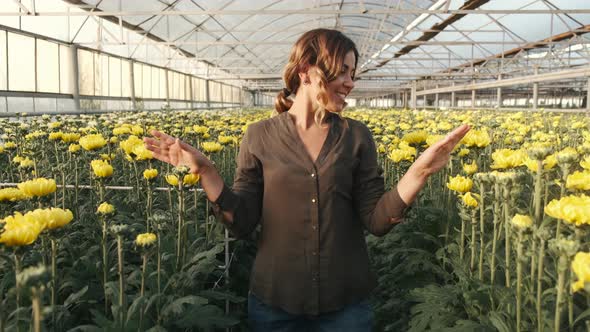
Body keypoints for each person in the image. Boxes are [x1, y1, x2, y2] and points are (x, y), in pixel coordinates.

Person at [144, 28, 470, 332]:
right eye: (342, 71)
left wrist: (418, 173)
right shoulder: (259, 136)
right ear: (306, 71)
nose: (350, 82)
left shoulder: (357, 137)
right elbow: (241, 222)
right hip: (274, 304)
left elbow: (376, 220)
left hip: (346, 306)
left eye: (353, 74)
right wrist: (207, 173)